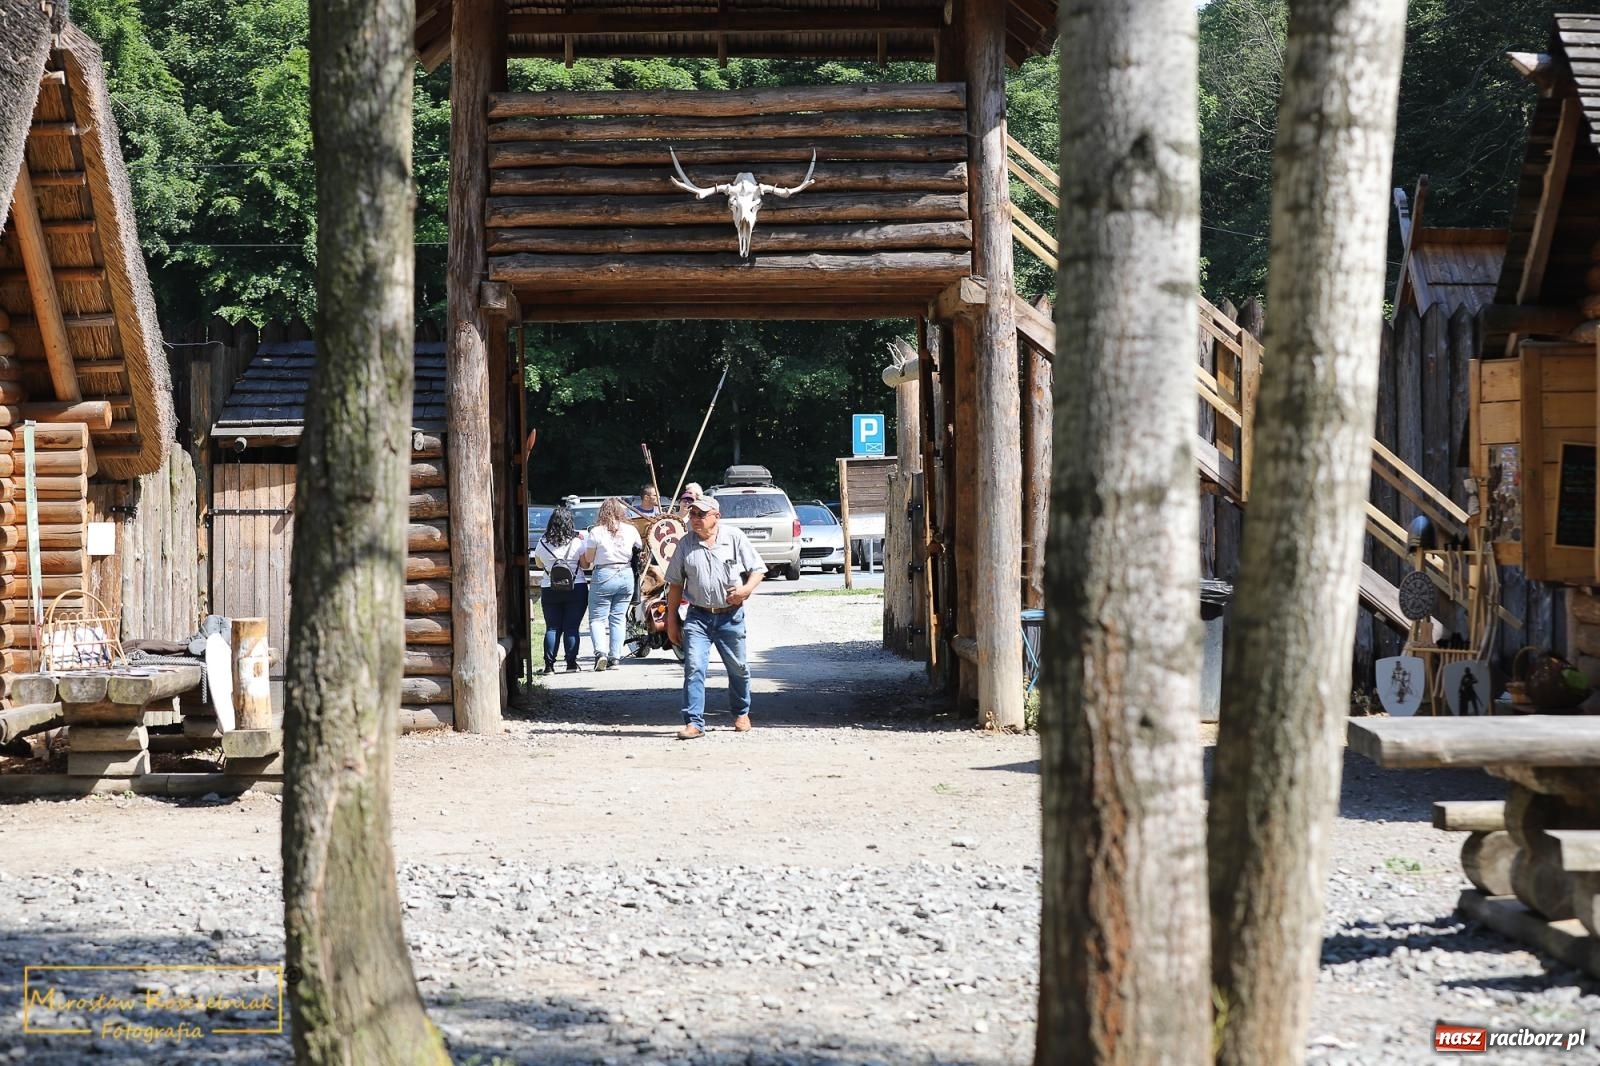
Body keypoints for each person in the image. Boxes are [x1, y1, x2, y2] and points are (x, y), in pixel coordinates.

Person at [664, 491, 766, 739]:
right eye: (693, 514)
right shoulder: (685, 543)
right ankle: (694, 722)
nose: (695, 519)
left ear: (716, 517)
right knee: (695, 667)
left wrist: (744, 590)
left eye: (701, 514)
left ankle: (741, 713)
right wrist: (671, 623)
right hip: (698, 616)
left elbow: (758, 570)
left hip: (730, 616)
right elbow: (675, 585)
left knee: (738, 668)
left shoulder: (734, 538)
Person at [580, 496, 643, 671]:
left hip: (604, 574)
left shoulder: (596, 532)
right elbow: (639, 548)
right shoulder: (631, 530)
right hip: (626, 574)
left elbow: (590, 559)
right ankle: (615, 657)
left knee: (597, 619)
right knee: (618, 618)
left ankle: (601, 653)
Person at [532, 504, 588, 673]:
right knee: (571, 627)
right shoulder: (577, 542)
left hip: (550, 588)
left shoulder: (542, 542)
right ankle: (571, 663)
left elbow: (539, 564)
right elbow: (585, 565)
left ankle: (549, 665)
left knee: (552, 627)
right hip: (576, 587)